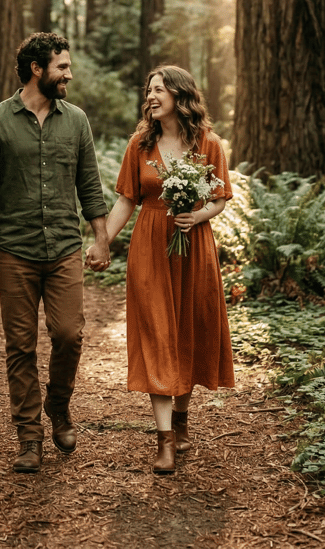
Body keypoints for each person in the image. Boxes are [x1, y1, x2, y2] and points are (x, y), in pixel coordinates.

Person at [0, 32, 110, 474]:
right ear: (37, 69)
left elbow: (90, 185)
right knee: (21, 346)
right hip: (16, 250)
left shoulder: (77, 121)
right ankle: (29, 437)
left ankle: (59, 407)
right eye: (62, 67)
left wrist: (102, 238)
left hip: (65, 247)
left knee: (69, 334)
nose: (69, 74)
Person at [86, 65, 235, 475]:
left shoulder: (209, 144)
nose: (150, 97)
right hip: (150, 246)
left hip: (193, 247)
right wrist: (103, 242)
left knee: (187, 329)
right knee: (157, 333)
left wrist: (198, 214)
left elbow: (221, 197)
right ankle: (164, 440)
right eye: (148, 91)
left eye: (158, 90)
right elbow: (125, 201)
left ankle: (183, 421)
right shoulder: (140, 145)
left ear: (179, 95)